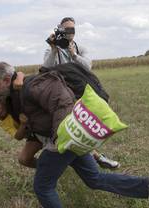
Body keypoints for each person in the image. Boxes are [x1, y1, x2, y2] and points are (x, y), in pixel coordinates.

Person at [0, 62, 149, 208]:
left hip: (61, 140)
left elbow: (61, 99)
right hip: (68, 139)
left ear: (6, 79)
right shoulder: (17, 90)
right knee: (94, 179)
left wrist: (59, 137)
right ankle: (145, 186)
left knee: (43, 186)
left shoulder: (32, 85)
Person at [43, 17, 120, 169]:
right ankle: (95, 157)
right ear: (60, 30)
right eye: (67, 29)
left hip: (79, 90)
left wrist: (74, 55)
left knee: (83, 124)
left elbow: (88, 67)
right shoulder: (52, 48)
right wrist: (53, 50)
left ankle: (91, 156)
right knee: (72, 125)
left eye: (73, 29)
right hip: (61, 91)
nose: (70, 32)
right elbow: (45, 68)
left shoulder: (80, 48)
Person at [0, 89, 42, 168]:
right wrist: (23, 124)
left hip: (43, 127)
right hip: (34, 136)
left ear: (2, 99)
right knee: (23, 159)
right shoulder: (4, 122)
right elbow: (18, 137)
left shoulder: (14, 102)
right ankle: (46, 167)